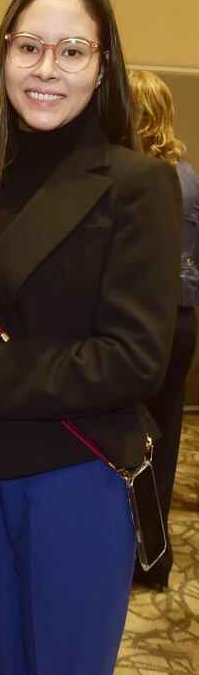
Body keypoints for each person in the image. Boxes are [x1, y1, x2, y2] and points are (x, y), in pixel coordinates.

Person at [0, 0, 181, 675]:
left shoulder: (135, 184)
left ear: (102, 64)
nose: (46, 69)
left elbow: (134, 358)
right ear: (3, 55)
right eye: (29, 47)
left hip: (72, 471)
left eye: (71, 50)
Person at [129, 69, 199, 590]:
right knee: (165, 435)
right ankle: (153, 557)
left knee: (130, 438)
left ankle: (133, 552)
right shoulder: (188, 175)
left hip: (144, 322)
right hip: (181, 323)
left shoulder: (139, 178)